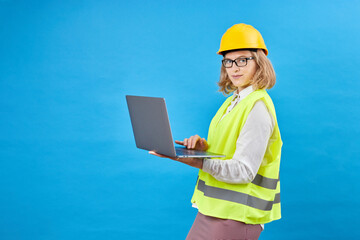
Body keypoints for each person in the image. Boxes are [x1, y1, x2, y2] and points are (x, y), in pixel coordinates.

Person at [150, 23, 282, 240]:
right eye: (229, 61)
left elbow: (243, 171)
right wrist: (202, 149)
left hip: (236, 218)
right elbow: (228, 149)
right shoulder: (234, 101)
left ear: (259, 62)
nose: (235, 68)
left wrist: (197, 162)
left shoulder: (257, 107)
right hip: (213, 210)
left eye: (243, 60)